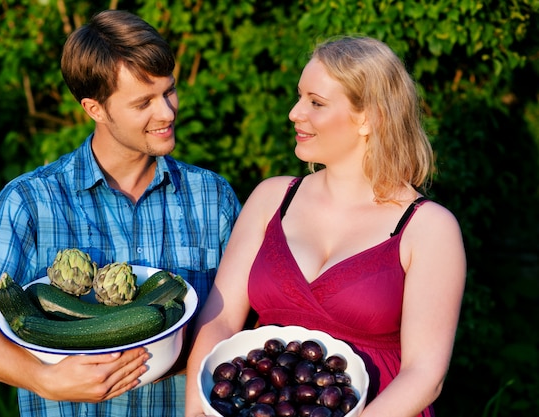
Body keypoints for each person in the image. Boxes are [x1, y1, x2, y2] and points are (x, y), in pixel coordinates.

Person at [0, 9, 241, 417]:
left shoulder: (213, 197)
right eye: (144, 103)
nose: (167, 113)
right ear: (94, 108)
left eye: (169, 91)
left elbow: (246, 319)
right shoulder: (30, 200)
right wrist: (42, 378)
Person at [185, 35, 466, 417]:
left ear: (369, 118)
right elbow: (218, 322)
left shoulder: (428, 227)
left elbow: (425, 373)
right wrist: (197, 411)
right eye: (300, 97)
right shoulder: (272, 198)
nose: (295, 113)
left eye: (316, 103)